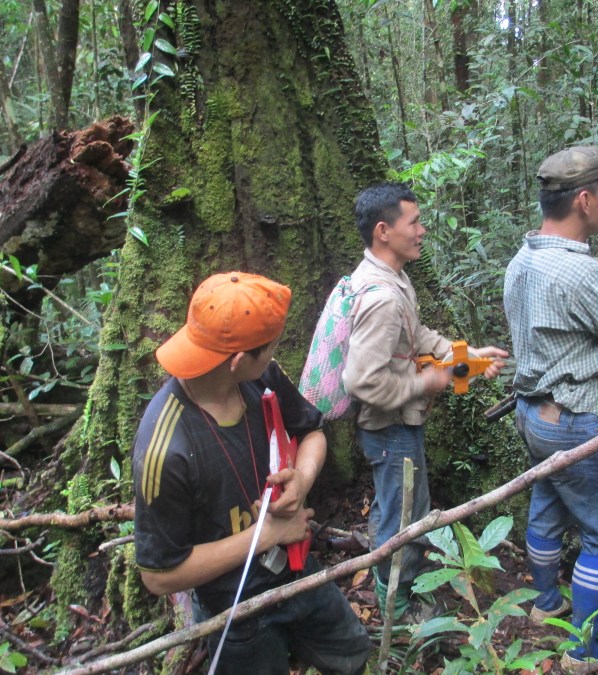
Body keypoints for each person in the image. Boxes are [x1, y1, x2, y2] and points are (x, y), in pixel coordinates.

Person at [132, 272, 371, 675]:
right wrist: (266, 535)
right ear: (238, 360)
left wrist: (302, 478)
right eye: (272, 347)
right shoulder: (166, 448)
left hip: (297, 570)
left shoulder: (260, 377)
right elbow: (159, 574)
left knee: (352, 653)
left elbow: (311, 431)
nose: (275, 354)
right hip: (235, 607)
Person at [503, 146, 598, 671]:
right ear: (586, 199)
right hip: (575, 420)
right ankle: (584, 651)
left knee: (549, 502)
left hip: (534, 414)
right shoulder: (576, 272)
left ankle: (547, 606)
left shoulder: (524, 257)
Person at [342, 183, 508, 619]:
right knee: (406, 520)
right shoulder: (380, 299)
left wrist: (466, 358)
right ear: (384, 231)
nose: (422, 230)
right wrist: (427, 383)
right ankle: (396, 609)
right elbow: (362, 381)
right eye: (413, 222)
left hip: (396, 425)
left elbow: (417, 339)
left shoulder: (393, 279)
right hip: (389, 427)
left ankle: (390, 586)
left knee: (395, 508)